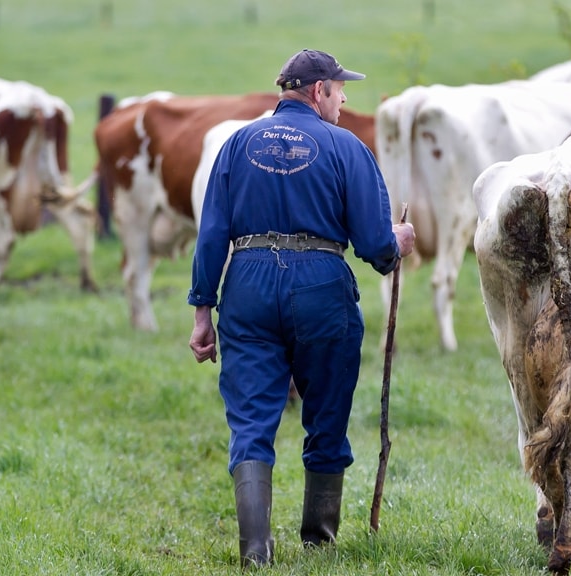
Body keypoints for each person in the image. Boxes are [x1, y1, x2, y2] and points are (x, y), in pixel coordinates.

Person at [187, 48, 415, 568]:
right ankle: (319, 539)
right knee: (327, 415)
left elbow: (212, 233)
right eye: (340, 89)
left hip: (247, 282)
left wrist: (203, 309)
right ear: (318, 91)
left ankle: (255, 549)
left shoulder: (236, 143)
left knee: (250, 421)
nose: (344, 99)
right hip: (321, 284)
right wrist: (398, 240)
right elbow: (375, 246)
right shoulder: (347, 147)